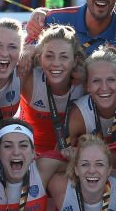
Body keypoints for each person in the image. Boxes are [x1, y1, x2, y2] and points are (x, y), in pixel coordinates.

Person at [17, 25, 86, 155]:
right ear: (39, 58)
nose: (56, 63)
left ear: (75, 61)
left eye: (64, 57)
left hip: (67, 159)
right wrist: (26, 51)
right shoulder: (28, 77)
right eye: (49, 56)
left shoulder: (85, 84)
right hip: (29, 158)